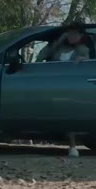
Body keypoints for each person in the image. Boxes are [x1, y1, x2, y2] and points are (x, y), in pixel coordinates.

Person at [35, 22, 90, 158]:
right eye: (69, 33)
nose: (71, 36)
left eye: (74, 34)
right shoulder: (60, 48)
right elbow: (40, 57)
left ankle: (72, 146)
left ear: (81, 35)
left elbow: (90, 67)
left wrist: (84, 60)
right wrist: (59, 41)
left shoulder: (83, 50)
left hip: (71, 88)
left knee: (69, 110)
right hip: (52, 86)